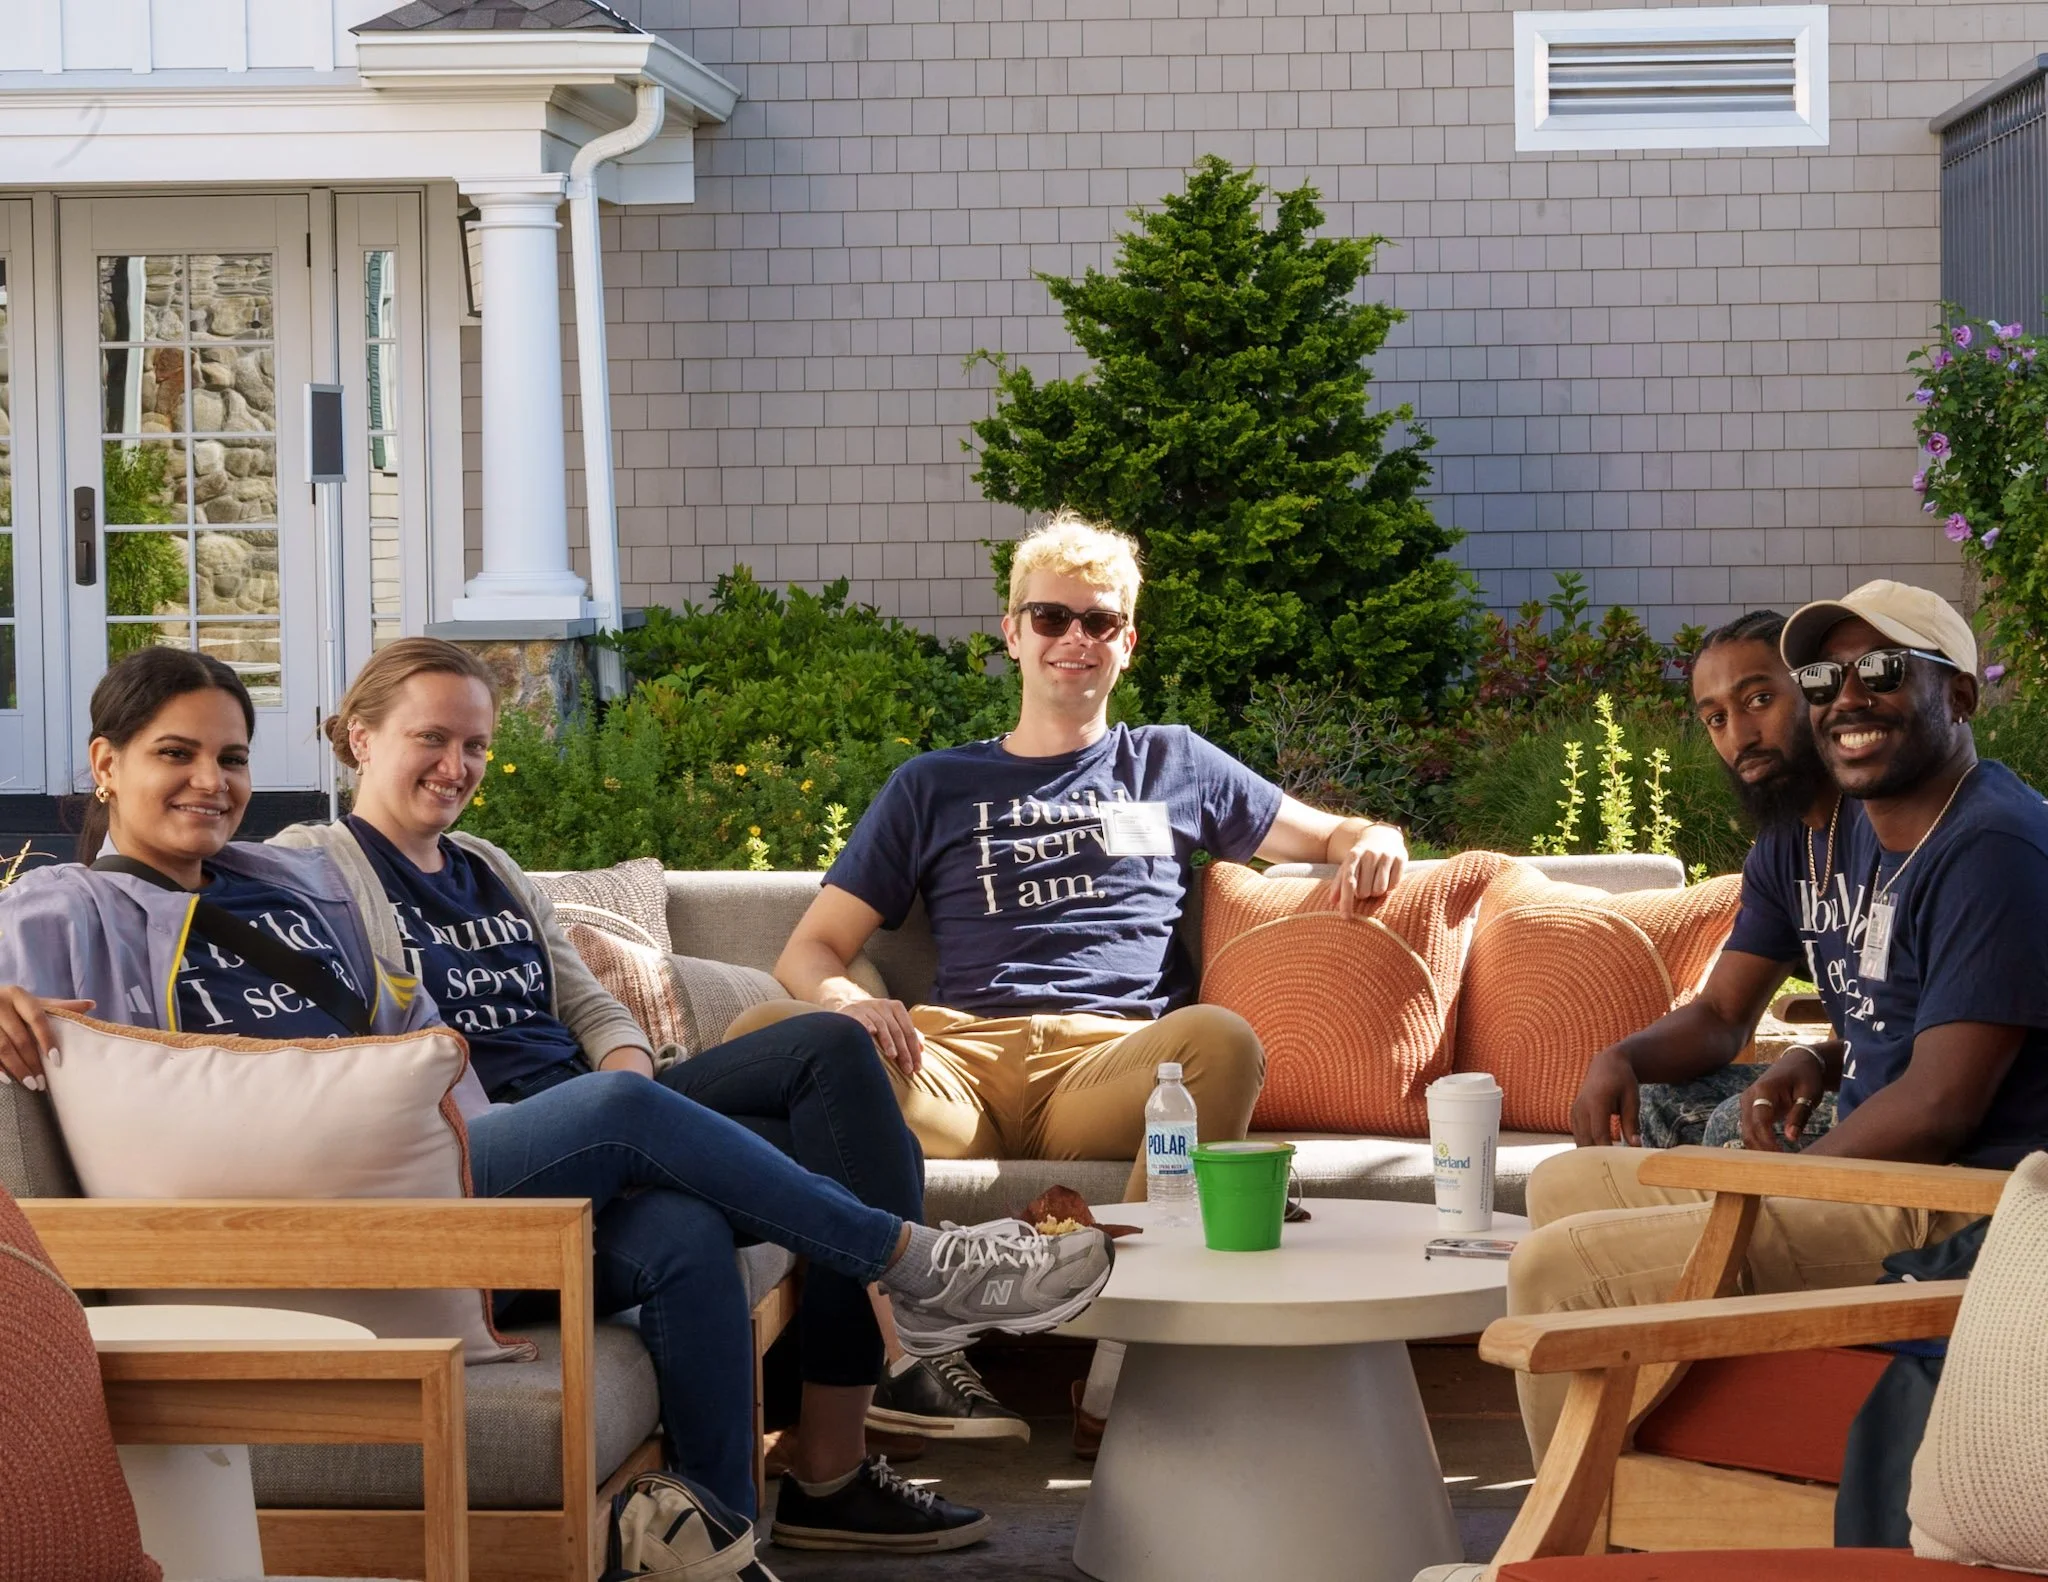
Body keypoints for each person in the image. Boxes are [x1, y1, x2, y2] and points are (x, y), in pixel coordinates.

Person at [0, 645, 1113, 1551]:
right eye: (174, 754)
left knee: (680, 1223)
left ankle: (719, 1531)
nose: (211, 781)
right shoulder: (70, 904)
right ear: (105, 763)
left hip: (424, 1154)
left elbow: (406, 1024)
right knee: (625, 1115)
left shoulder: (282, 882)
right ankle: (912, 1265)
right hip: (299, 1199)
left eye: (231, 757)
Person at [758, 510, 1412, 1438]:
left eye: (1097, 622)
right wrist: (851, 1006)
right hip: (959, 1067)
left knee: (1222, 1040)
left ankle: (1124, 1372)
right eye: (1052, 618)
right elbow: (809, 949)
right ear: (1012, 633)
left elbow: (1328, 834)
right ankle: (912, 1349)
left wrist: (1371, 837)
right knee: (770, 1046)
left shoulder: (1172, 762)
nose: (1075, 639)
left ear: (1127, 642)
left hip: (1112, 1069)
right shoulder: (932, 786)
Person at [1509, 580, 2048, 1463]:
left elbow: (1942, 1103)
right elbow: (1933, 1012)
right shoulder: (1902, 827)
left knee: (1552, 1271)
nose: (1848, 697)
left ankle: (1586, 1518)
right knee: (1565, 1186)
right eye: (1826, 679)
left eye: (1879, 669)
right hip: (1901, 1178)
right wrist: (1825, 1061)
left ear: (1956, 694)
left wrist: (1768, 1193)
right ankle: (1640, 1465)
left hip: (1964, 1205)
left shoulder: (1990, 844)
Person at [1568, 609, 1847, 1154]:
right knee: (1651, 1103)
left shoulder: (1889, 823)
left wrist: (1810, 1057)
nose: (1739, 736)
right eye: (1716, 718)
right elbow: (1723, 1015)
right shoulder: (1782, 846)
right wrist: (1621, 1057)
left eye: (1759, 700)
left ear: (1818, 690)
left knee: (1735, 1126)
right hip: (1847, 1073)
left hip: (1924, 1107)